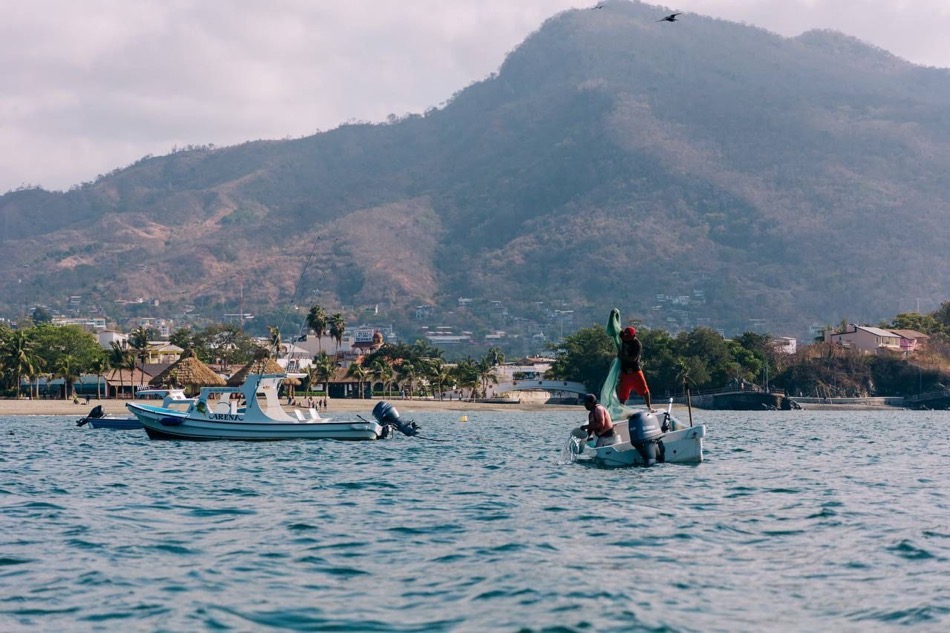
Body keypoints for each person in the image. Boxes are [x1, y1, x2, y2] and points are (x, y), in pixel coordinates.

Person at [617, 326, 654, 411]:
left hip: (635, 370)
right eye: (625, 337)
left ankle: (649, 407)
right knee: (623, 393)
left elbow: (632, 359)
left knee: (645, 390)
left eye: (628, 338)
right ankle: (621, 410)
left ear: (633, 336)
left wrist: (621, 356)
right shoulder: (623, 336)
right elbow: (616, 329)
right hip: (625, 371)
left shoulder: (637, 344)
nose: (626, 339)